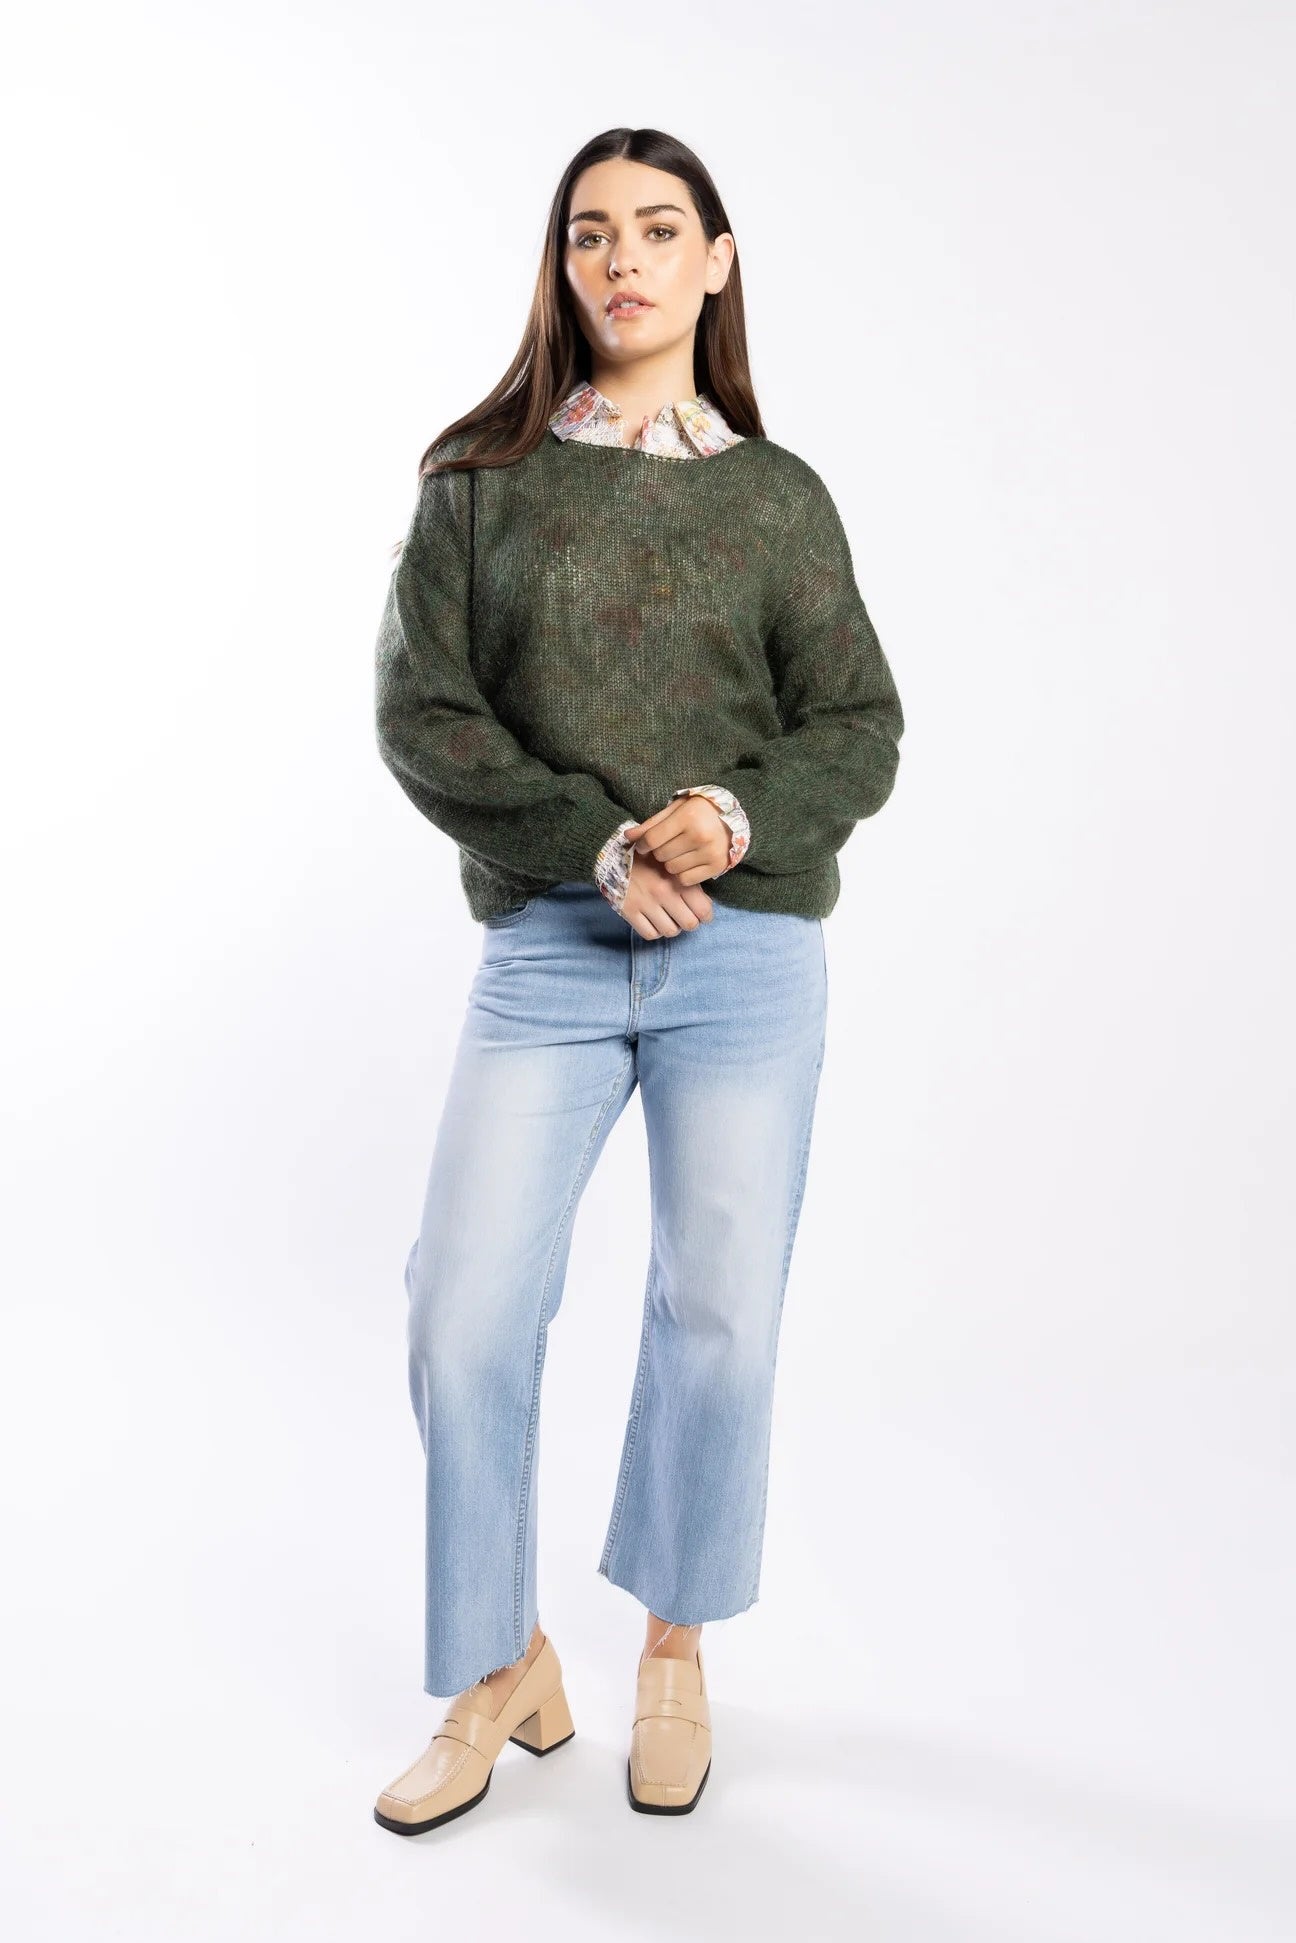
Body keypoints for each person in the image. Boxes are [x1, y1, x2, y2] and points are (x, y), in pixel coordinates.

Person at [370, 125, 904, 1832]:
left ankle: (674, 1648)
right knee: (463, 1311)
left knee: (719, 1312)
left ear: (716, 263)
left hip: (747, 956)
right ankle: (498, 1663)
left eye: (659, 230)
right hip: (551, 943)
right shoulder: (479, 482)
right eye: (592, 232)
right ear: (562, 263)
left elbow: (859, 725)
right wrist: (597, 846)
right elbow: (424, 716)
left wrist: (731, 819)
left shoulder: (776, 498)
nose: (623, 261)